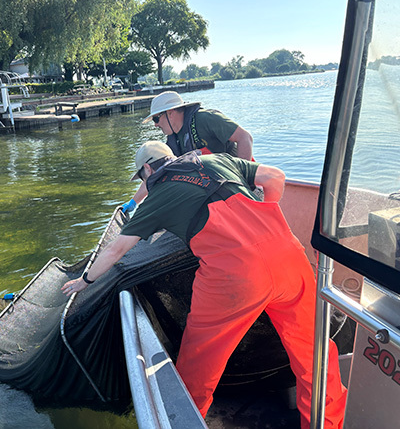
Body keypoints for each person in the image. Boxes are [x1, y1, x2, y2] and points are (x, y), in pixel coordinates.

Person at [63, 141, 347, 428]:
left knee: (199, 362)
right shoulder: (217, 160)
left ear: (147, 170)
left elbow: (116, 250)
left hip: (234, 276)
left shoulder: (157, 196)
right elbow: (276, 178)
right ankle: (328, 423)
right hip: (289, 257)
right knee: (315, 354)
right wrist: (266, 213)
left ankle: (187, 421)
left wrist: (84, 281)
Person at [121, 91, 254, 213]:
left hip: (243, 183)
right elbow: (154, 175)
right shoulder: (173, 143)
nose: (155, 125)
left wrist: (243, 179)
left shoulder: (206, 118)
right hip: (218, 187)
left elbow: (245, 138)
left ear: (170, 113)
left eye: (156, 119)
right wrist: (134, 202)